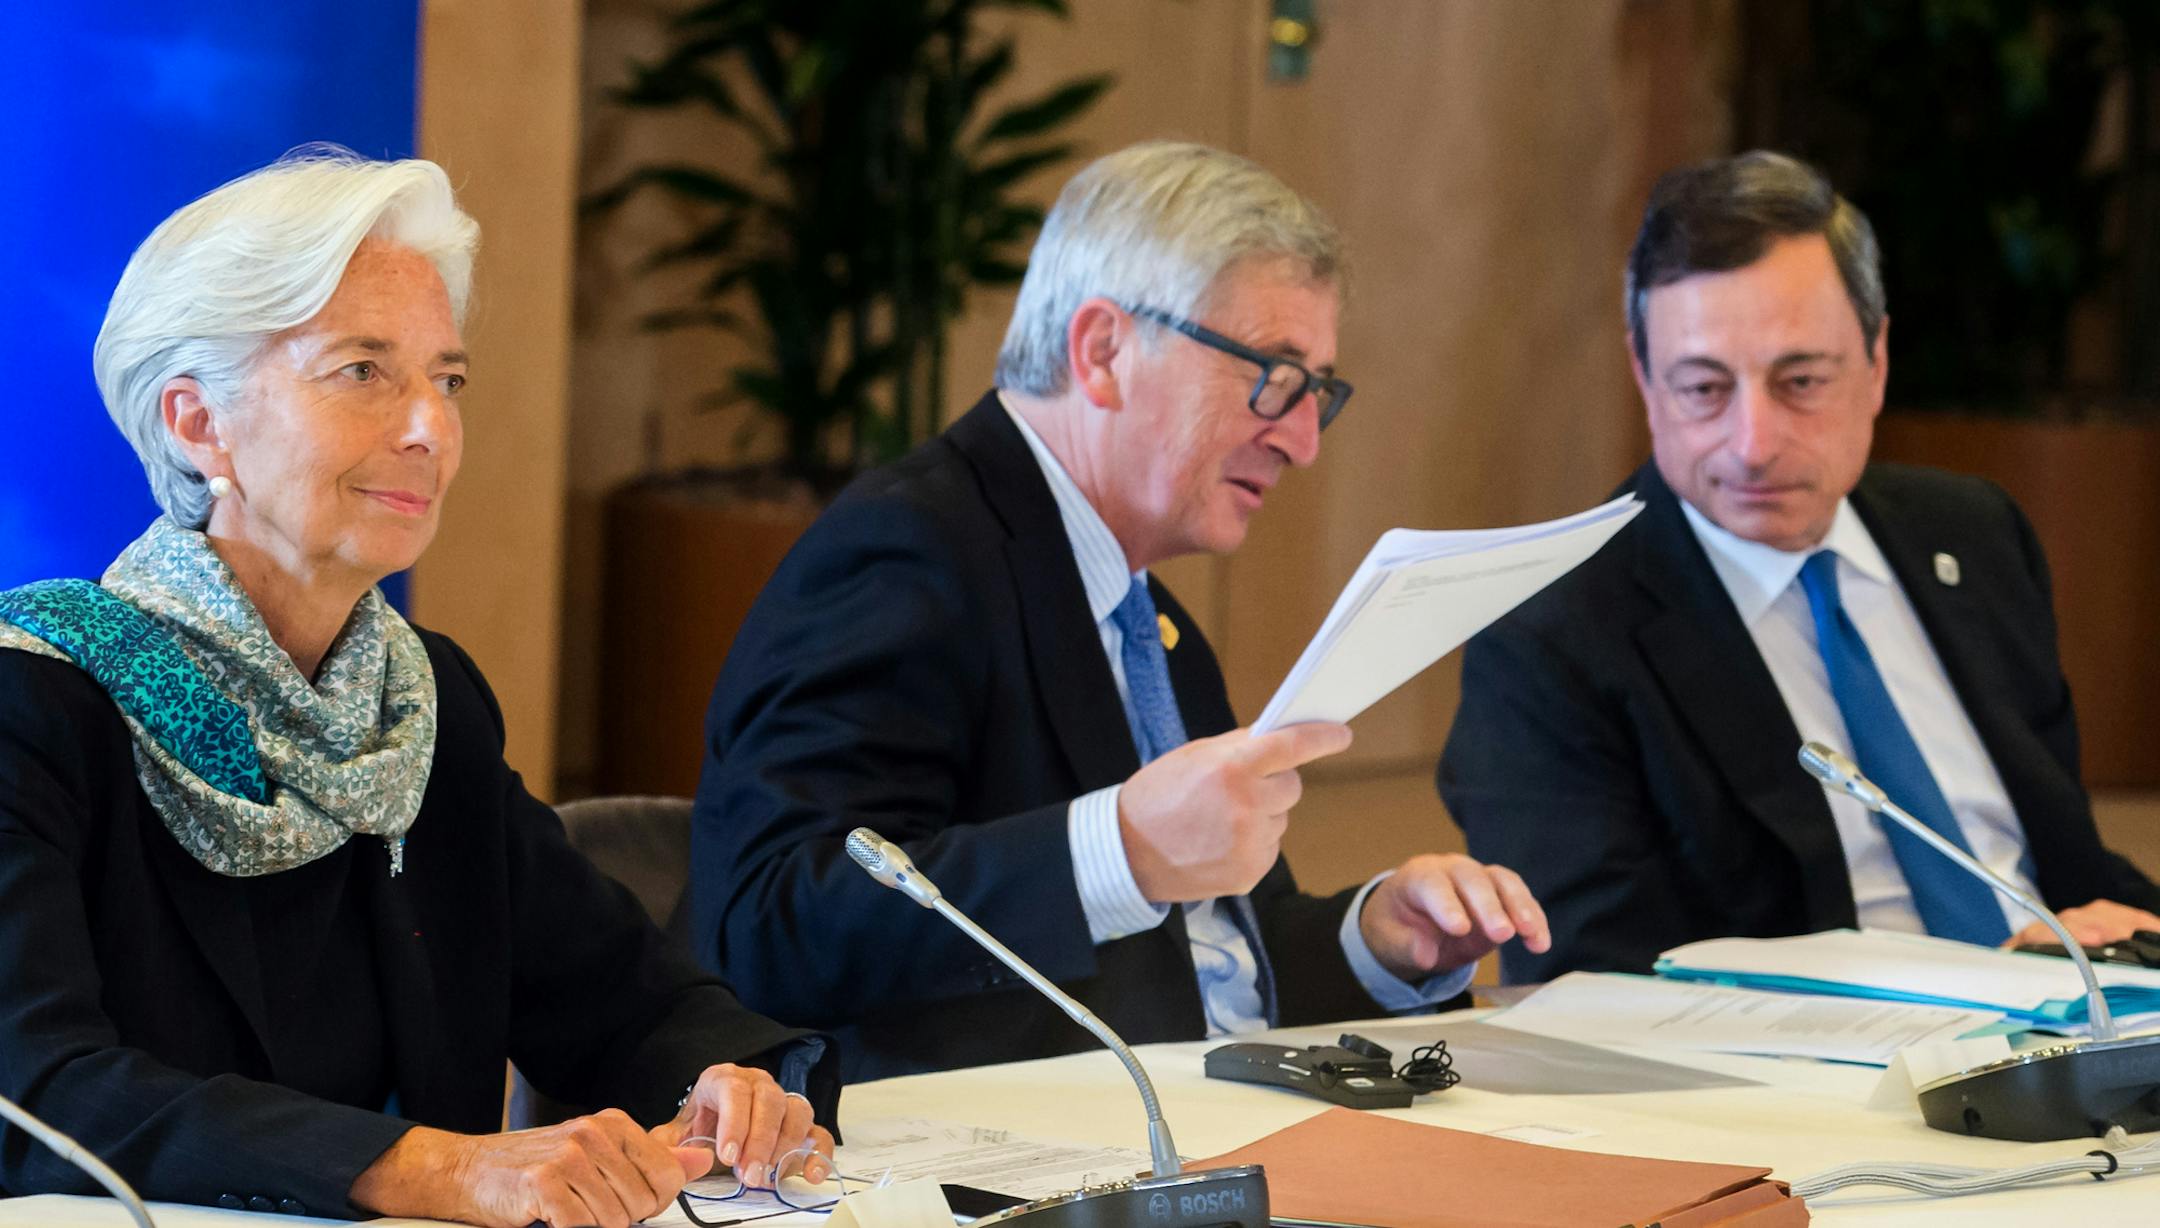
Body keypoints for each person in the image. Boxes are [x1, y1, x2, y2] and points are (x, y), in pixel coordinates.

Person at [0, 151, 834, 1228]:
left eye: (447, 380)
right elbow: (38, 1092)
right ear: (197, 424)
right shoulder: (37, 704)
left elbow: (619, 998)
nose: (429, 430)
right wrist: (435, 1168)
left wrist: (732, 1082)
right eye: (363, 371)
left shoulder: (419, 702)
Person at [690, 141, 1549, 1081]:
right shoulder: (904, 553)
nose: (1303, 440)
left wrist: (1373, 941)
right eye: (1273, 375)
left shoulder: (1148, 616)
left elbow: (1202, 963)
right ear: (1103, 351)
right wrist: (1121, 850)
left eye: (1317, 392)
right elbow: (771, 929)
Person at [1440, 150, 2160, 983]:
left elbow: (2069, 868)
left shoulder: (1975, 536)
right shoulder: (1549, 636)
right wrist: (1971, 993)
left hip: (2078, 1019)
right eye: (1704, 389)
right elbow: (1599, 979)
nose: (1753, 444)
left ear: (1877, 362)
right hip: (1839, 1052)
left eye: (1801, 381)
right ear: (1645, 379)